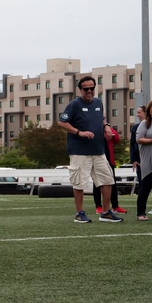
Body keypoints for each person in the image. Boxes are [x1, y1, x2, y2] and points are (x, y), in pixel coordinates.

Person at [59, 75, 123, 224]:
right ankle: (79, 213)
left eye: (91, 88)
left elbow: (101, 118)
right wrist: (79, 132)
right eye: (86, 89)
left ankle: (106, 212)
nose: (89, 91)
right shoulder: (74, 104)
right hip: (80, 151)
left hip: (99, 151)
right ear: (80, 89)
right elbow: (62, 122)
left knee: (107, 180)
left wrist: (106, 127)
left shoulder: (98, 103)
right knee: (79, 182)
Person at [92, 123, 125, 215]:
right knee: (97, 184)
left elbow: (116, 139)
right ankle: (98, 206)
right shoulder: (93, 127)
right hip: (97, 159)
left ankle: (115, 206)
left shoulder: (108, 128)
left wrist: (109, 130)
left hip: (109, 160)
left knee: (112, 183)